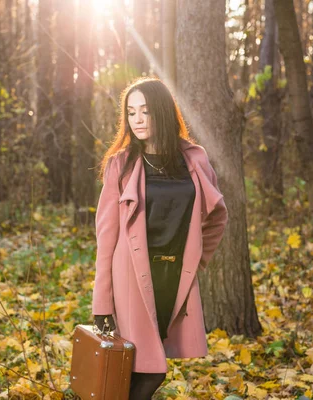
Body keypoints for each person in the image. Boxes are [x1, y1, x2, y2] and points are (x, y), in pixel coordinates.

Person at [91, 77, 228, 399]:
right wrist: (102, 299)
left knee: (137, 370)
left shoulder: (195, 159)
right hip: (132, 277)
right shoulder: (121, 164)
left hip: (174, 276)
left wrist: (197, 256)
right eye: (131, 112)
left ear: (164, 113)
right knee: (150, 370)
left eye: (145, 112)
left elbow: (217, 217)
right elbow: (106, 235)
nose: (137, 120)